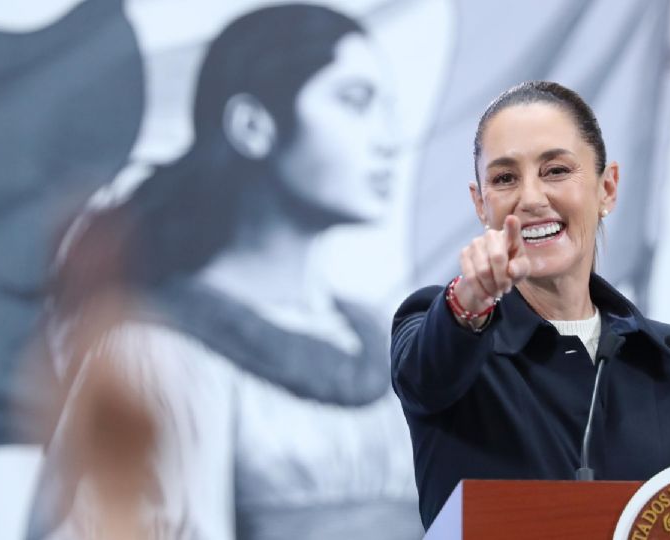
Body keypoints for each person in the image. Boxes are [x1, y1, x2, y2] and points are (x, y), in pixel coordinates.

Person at [27, 5, 421, 539]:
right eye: (355, 102)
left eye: (388, 108)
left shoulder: (384, 344)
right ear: (252, 126)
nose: (388, 139)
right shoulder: (155, 353)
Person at [390, 81, 670, 529]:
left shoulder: (668, 358)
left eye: (556, 170)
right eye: (504, 179)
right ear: (481, 204)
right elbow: (427, 376)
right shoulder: (441, 327)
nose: (533, 198)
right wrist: (469, 301)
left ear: (608, 188)